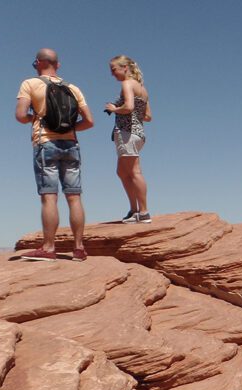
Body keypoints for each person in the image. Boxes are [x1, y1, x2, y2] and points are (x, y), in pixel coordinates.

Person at [15, 48, 94, 262]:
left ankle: (49, 248)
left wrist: (38, 119)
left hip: (45, 144)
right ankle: (79, 248)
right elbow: (89, 121)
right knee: (74, 197)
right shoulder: (73, 88)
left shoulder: (30, 84)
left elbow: (20, 115)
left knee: (49, 197)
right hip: (71, 145)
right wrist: (69, 129)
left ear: (38, 63)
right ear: (57, 65)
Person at [105, 55, 153, 224]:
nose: (112, 74)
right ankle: (135, 210)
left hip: (127, 132)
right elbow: (148, 116)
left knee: (134, 172)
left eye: (114, 69)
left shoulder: (126, 84)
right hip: (138, 133)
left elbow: (129, 107)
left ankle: (143, 212)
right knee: (122, 172)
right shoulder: (142, 88)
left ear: (125, 67)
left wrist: (114, 108)